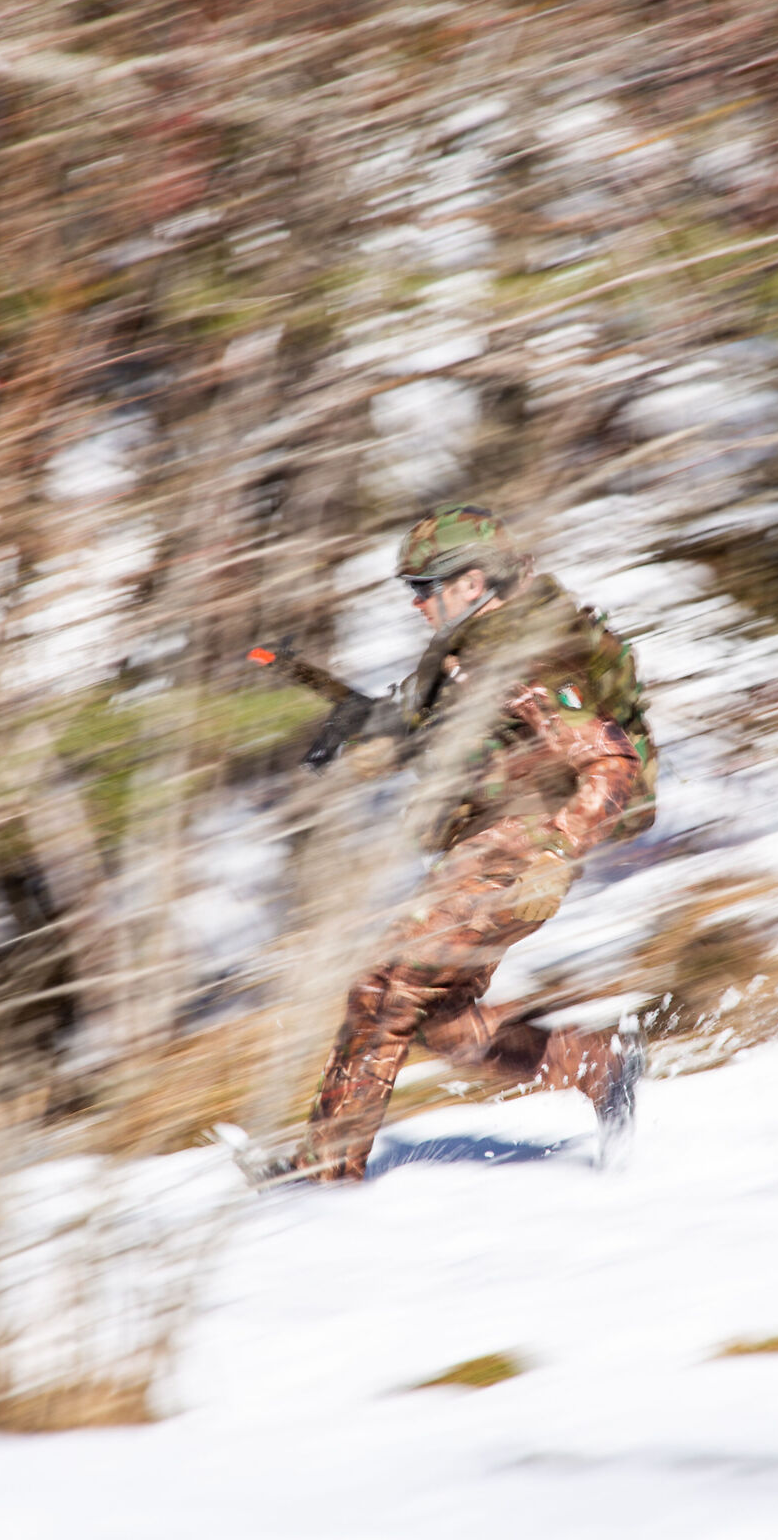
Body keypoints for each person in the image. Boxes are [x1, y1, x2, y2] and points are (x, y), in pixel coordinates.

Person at [292, 503, 658, 1182]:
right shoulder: (473, 652)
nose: (416, 605)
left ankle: (321, 1176)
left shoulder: (527, 656)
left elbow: (611, 762)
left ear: (470, 582)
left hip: (520, 851)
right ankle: (599, 1065)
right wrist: (360, 724)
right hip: (489, 845)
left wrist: (555, 853)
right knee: (442, 1021)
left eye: (424, 588)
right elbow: (442, 735)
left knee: (384, 989)